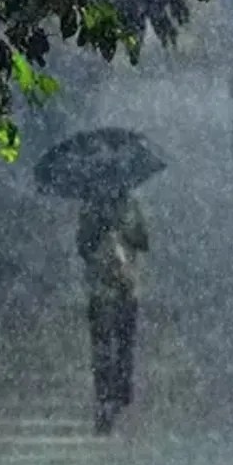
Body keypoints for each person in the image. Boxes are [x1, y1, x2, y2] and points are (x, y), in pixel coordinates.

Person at [75, 186, 150, 435]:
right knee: (103, 348)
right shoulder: (90, 208)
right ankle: (105, 400)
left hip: (126, 288)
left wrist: (124, 229)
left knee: (123, 344)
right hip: (101, 290)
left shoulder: (130, 205)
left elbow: (143, 241)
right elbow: (83, 247)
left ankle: (119, 392)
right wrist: (99, 230)